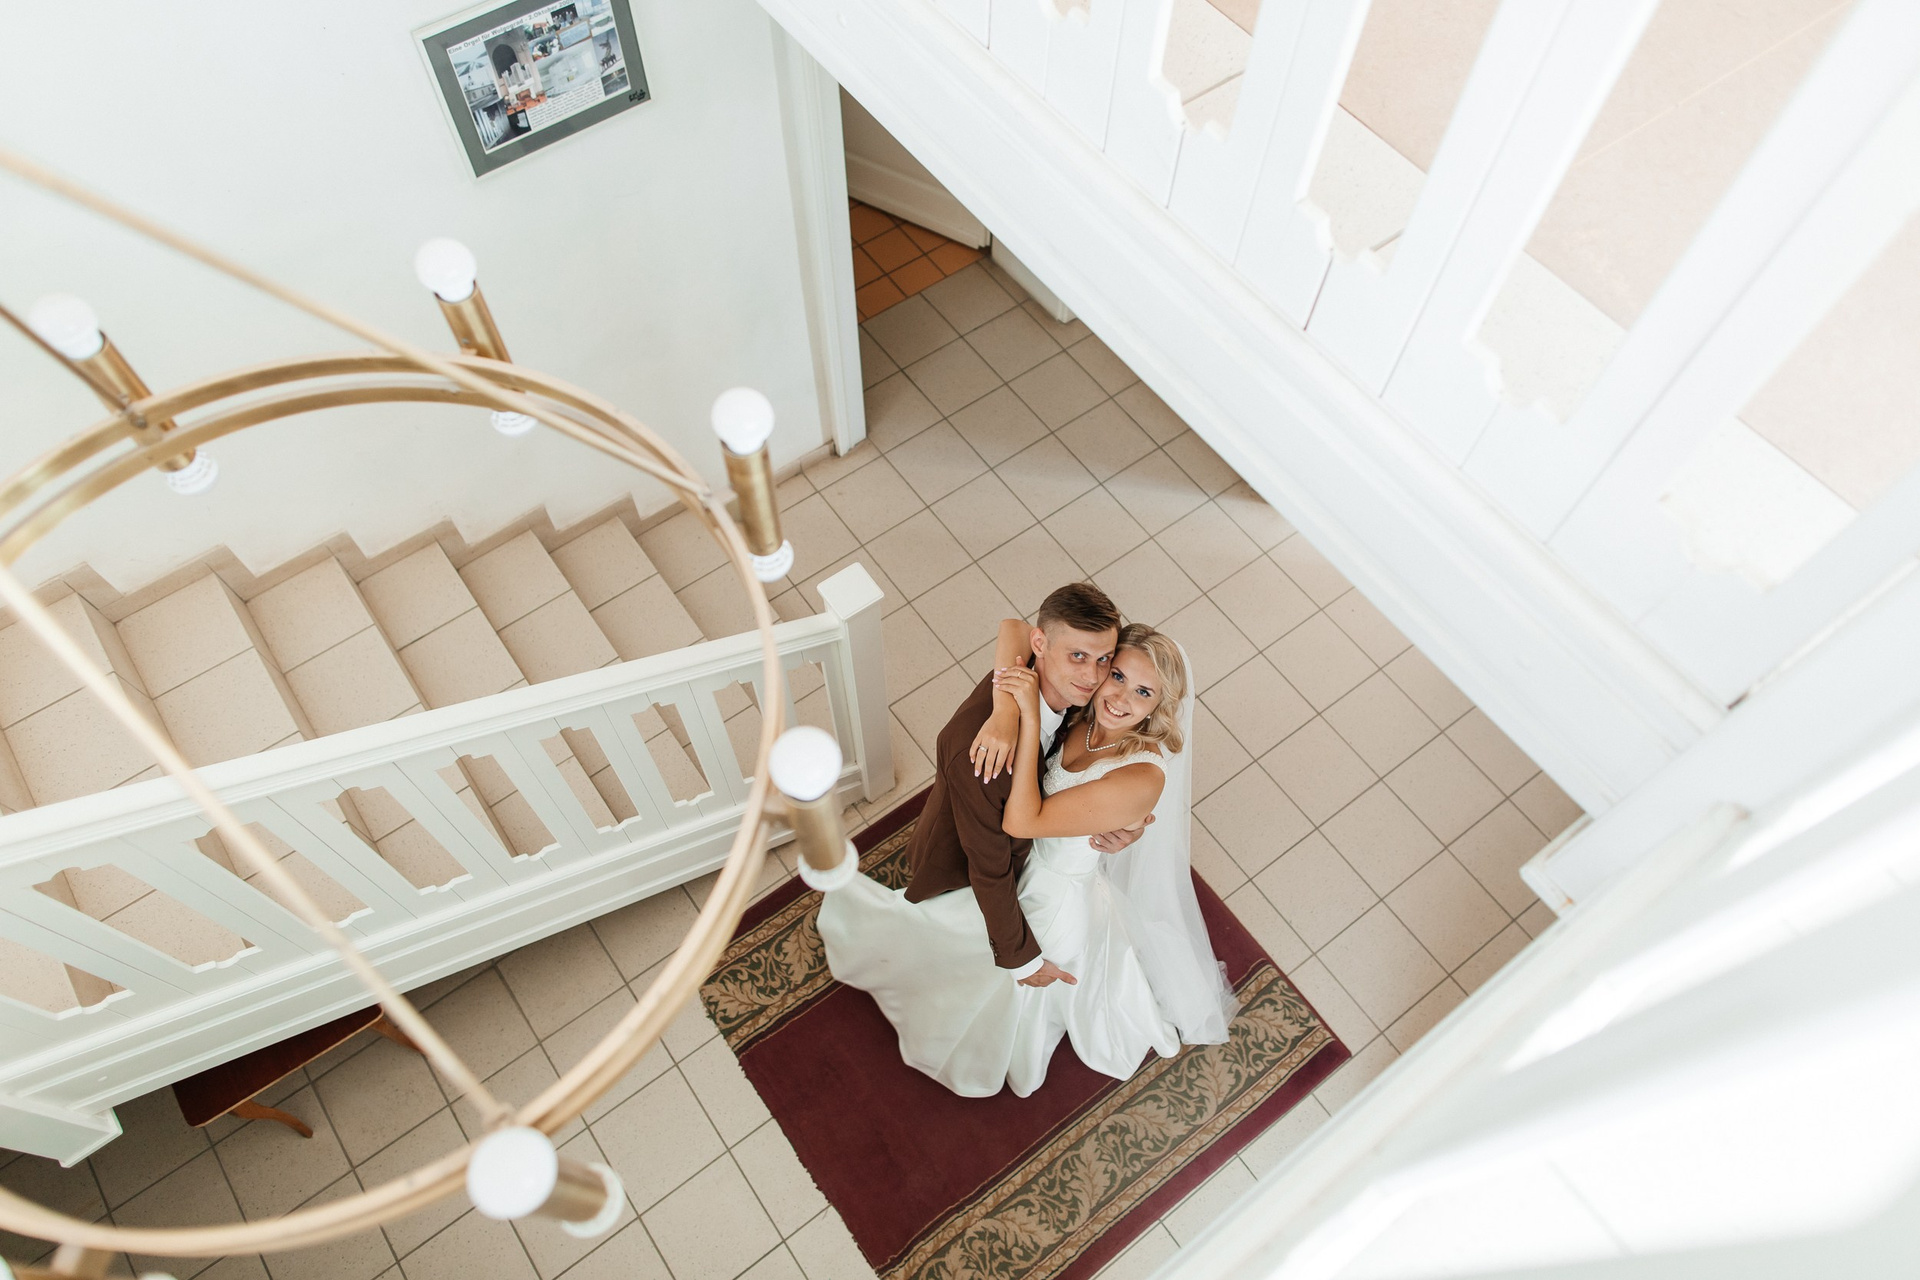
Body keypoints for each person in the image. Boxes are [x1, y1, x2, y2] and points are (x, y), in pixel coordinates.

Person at [817, 593, 1233, 1096]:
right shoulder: (1078, 712)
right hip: (1019, 864)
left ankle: (997, 1048)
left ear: (1160, 705)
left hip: (1053, 898)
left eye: (1142, 691)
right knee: (968, 945)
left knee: (1010, 990)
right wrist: (1007, 712)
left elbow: (1025, 820)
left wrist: (1029, 721)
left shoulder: (1111, 737)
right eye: (1118, 675)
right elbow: (1014, 627)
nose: (1115, 693)